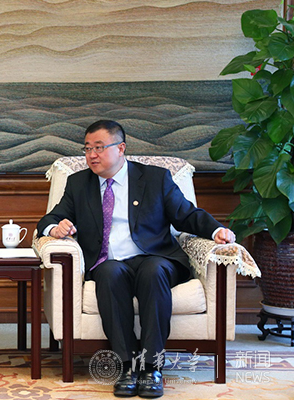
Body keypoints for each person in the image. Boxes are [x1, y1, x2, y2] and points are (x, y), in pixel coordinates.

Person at [37, 120, 235, 398]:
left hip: (155, 256)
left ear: (121, 148)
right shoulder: (79, 183)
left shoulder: (155, 178)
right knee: (109, 274)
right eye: (87, 149)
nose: (92, 155)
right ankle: (127, 366)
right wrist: (54, 229)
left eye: (99, 148)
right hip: (108, 262)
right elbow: (48, 219)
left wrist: (216, 230)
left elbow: (186, 215)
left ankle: (151, 367)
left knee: (153, 271)